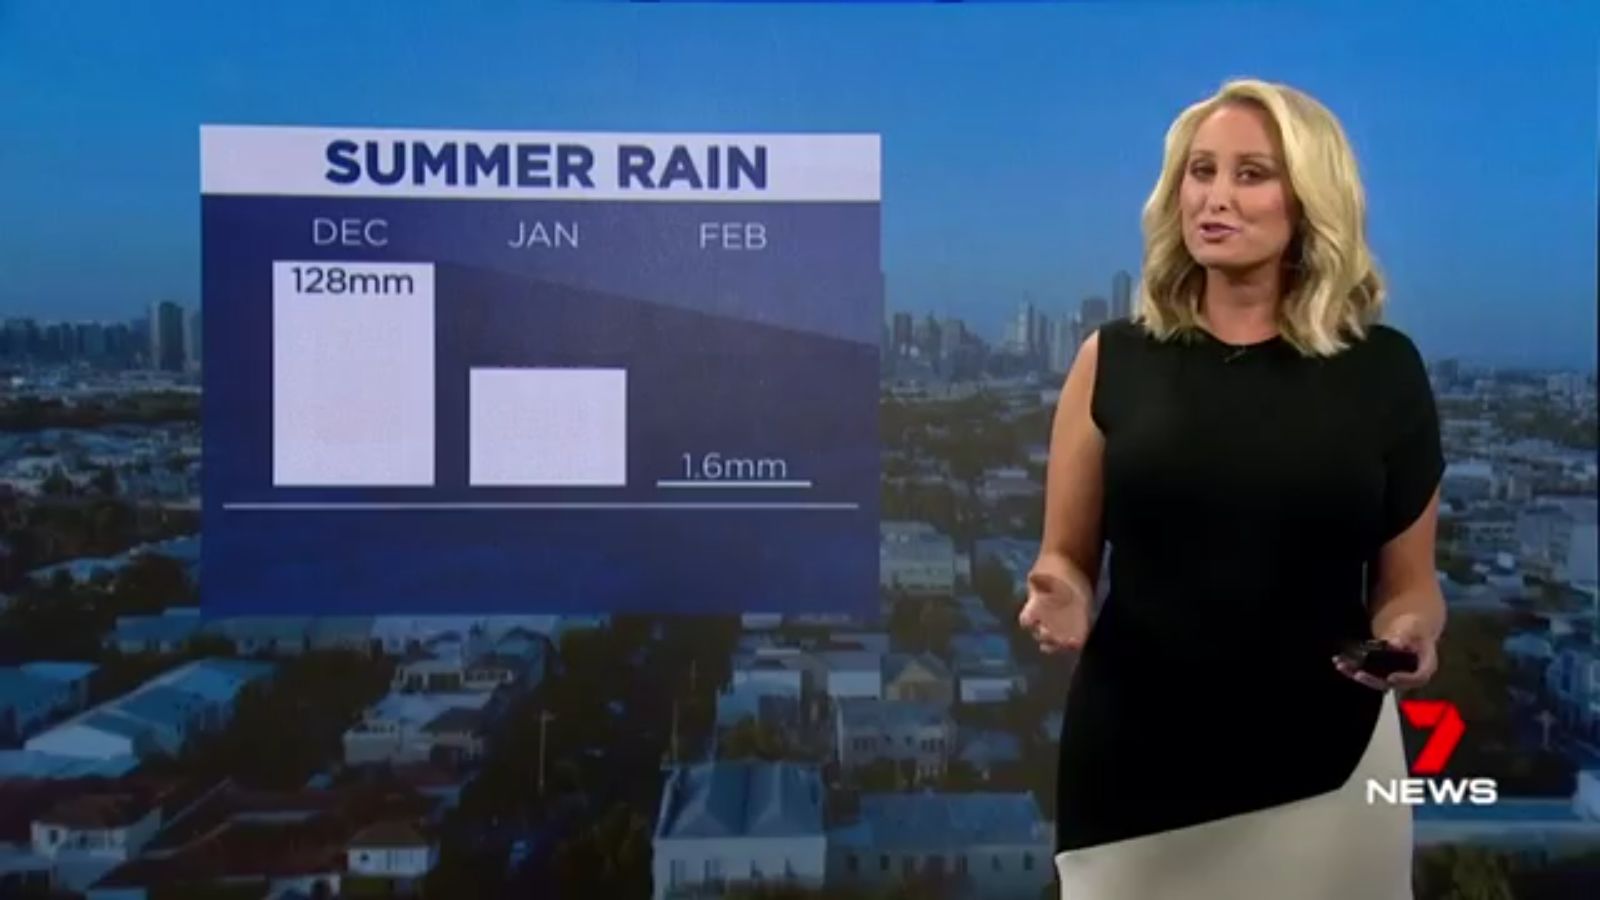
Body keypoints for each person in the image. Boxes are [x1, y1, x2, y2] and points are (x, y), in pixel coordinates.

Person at [1018, 77, 1446, 900]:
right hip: (1135, 768)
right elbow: (1064, 556)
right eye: (1200, 171)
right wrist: (1060, 593)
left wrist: (1408, 634)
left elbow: (1410, 586)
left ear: (1309, 200)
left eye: (1251, 174)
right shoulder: (1113, 360)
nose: (1215, 196)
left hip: (1330, 765)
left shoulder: (1386, 372)